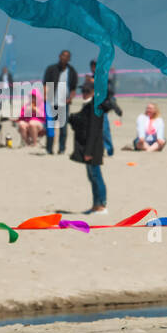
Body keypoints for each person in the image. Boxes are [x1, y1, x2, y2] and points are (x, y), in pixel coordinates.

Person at [70, 81, 113, 215]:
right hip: (89, 147)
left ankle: (102, 205)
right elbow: (81, 120)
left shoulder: (96, 106)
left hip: (93, 148)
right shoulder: (89, 104)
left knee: (96, 176)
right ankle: (95, 205)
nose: (83, 93)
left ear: (93, 92)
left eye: (87, 91)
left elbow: (94, 130)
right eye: (82, 91)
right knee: (91, 176)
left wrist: (88, 152)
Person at [43, 50, 78, 155]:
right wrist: (45, 97)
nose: (64, 58)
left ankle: (61, 148)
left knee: (63, 127)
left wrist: (70, 98)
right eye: (63, 56)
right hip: (51, 102)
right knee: (50, 126)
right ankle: (49, 148)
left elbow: (73, 88)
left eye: (67, 57)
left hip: (64, 103)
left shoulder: (71, 71)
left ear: (69, 59)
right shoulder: (51, 69)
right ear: (59, 56)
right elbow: (45, 84)